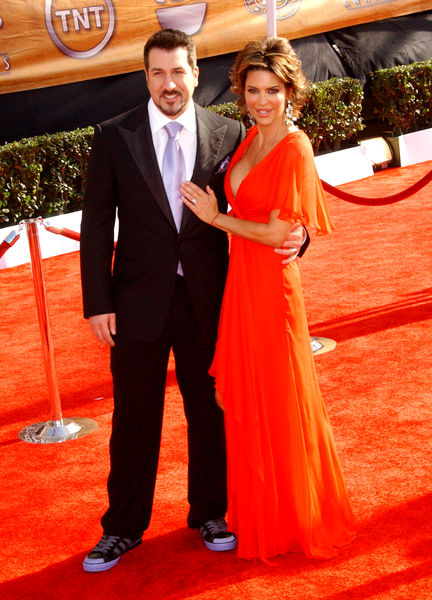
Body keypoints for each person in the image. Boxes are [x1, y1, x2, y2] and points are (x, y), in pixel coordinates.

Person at [80, 29, 308, 572]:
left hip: (211, 300)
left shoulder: (229, 133)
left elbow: (269, 200)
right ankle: (123, 528)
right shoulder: (116, 136)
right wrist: (97, 302)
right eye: (157, 73)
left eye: (178, 71)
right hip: (136, 303)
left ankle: (210, 512)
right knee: (135, 416)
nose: (168, 83)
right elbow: (95, 228)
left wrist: (300, 240)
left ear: (196, 73)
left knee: (210, 410)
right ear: (145, 78)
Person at [180, 37, 355, 561]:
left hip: (273, 291)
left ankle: (290, 517)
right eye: (253, 89)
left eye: (272, 90)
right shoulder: (246, 138)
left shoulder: (295, 147)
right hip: (242, 286)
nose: (261, 100)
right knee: (249, 399)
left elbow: (280, 233)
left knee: (280, 399)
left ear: (290, 91)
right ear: (242, 92)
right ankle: (259, 508)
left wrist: (215, 219)